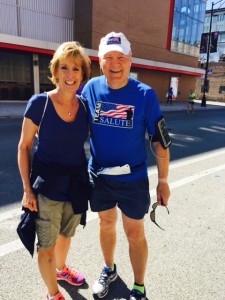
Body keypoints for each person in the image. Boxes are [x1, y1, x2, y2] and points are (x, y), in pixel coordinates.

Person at [81, 32, 171, 300]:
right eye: (108, 57)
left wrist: (163, 181)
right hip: (100, 176)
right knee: (106, 224)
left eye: (121, 56)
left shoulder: (145, 95)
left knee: (134, 232)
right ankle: (109, 269)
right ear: (100, 62)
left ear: (130, 60)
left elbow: (160, 139)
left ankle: (139, 287)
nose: (115, 63)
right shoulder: (91, 89)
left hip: (133, 179)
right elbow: (73, 124)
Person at [18, 41, 91, 300]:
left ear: (82, 75)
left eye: (75, 69)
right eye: (64, 68)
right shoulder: (41, 104)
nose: (70, 75)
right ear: (55, 71)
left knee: (65, 235)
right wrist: (27, 190)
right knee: (46, 245)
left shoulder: (84, 106)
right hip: (47, 187)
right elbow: (24, 147)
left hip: (75, 185)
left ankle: (61, 270)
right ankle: (53, 293)